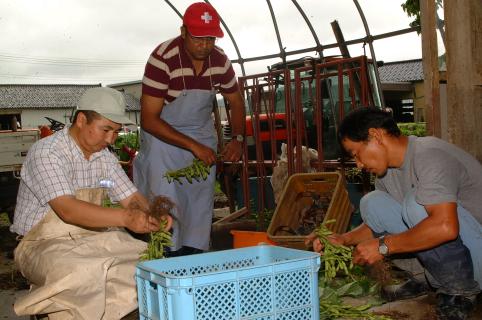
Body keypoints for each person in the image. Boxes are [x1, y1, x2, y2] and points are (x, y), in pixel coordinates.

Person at [10, 87, 172, 320]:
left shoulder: (104, 157)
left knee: (146, 261)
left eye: (116, 132)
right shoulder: (47, 153)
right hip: (41, 244)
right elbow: (67, 210)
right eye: (105, 129)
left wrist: (152, 213)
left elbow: (130, 198)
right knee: (81, 272)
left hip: (93, 237)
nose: (110, 139)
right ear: (82, 120)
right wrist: (125, 219)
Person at [307, 107, 481, 320]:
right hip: (460, 247)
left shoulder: (429, 154)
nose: (359, 165)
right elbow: (375, 226)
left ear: (376, 135)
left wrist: (383, 246)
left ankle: (460, 291)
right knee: (373, 203)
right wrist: (343, 239)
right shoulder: (387, 173)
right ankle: (423, 278)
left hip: (477, 255)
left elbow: (445, 226)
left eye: (356, 154)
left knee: (416, 204)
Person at [133, 2, 245, 256]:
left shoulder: (219, 60)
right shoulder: (163, 58)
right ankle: (166, 255)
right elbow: (149, 119)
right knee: (165, 197)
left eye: (210, 38)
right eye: (198, 38)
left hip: (201, 133)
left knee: (198, 200)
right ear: (183, 32)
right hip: (163, 135)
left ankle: (194, 257)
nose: (205, 45)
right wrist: (193, 146)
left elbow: (236, 101)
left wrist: (237, 139)